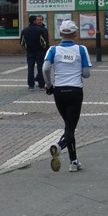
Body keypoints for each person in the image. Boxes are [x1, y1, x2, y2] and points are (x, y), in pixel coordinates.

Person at [43, 20, 90, 173]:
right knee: (70, 127)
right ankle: (59, 146)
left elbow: (45, 68)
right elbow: (86, 74)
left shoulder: (53, 50)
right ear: (75, 34)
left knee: (69, 126)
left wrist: (49, 85)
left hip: (59, 91)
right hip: (75, 91)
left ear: (60, 33)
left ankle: (74, 161)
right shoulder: (81, 49)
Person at [20, 14, 49, 90]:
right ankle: (41, 85)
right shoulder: (40, 30)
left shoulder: (24, 30)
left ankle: (31, 85)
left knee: (30, 69)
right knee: (40, 68)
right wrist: (43, 49)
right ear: (34, 21)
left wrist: (27, 49)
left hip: (30, 52)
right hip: (39, 52)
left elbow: (22, 43)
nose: (38, 21)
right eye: (37, 19)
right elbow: (44, 42)